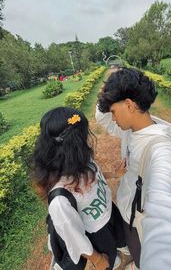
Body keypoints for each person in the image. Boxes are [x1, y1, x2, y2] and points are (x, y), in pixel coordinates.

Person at [96, 68, 171, 270]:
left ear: (129, 105)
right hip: (128, 208)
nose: (112, 118)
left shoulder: (159, 148)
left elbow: (163, 198)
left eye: (113, 111)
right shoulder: (133, 128)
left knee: (142, 254)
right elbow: (103, 118)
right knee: (135, 248)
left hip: (141, 219)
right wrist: (106, 95)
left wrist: (168, 249)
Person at [32, 106, 126, 270]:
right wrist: (97, 260)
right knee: (108, 257)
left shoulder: (80, 160)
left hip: (107, 211)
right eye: (84, 136)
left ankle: (114, 253)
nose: (87, 139)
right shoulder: (60, 198)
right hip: (96, 230)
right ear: (74, 145)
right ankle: (109, 260)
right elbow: (74, 237)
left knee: (118, 239)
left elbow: (93, 173)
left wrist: (113, 174)